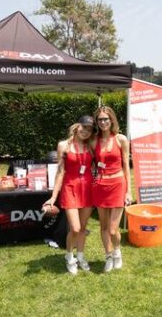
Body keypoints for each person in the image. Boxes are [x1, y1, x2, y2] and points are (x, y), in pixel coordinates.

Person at [44, 115, 95, 275]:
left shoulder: (90, 146)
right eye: (84, 127)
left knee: (83, 228)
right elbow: (60, 172)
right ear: (76, 126)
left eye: (89, 129)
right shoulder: (63, 145)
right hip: (70, 188)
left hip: (87, 188)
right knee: (75, 227)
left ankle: (80, 256)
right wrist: (53, 197)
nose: (86, 132)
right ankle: (69, 256)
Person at [91, 106, 132, 272]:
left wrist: (129, 191)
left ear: (112, 120)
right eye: (100, 119)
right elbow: (90, 161)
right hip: (100, 186)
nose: (103, 122)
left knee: (113, 229)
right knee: (103, 227)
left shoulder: (121, 139)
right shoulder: (94, 140)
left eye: (105, 119)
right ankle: (108, 256)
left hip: (117, 185)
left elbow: (126, 166)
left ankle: (117, 252)